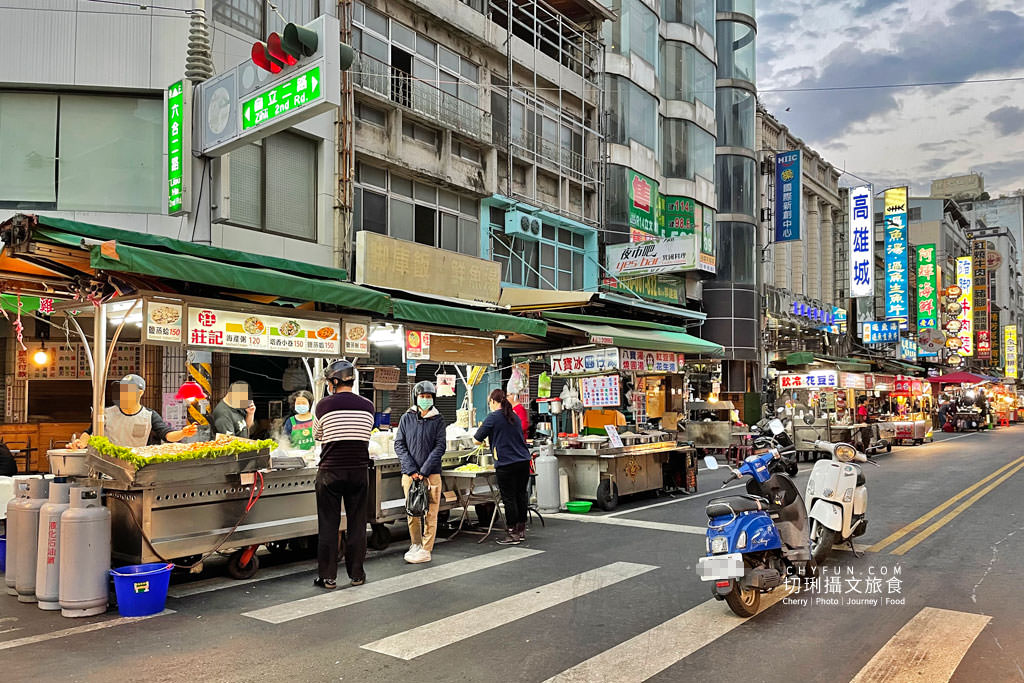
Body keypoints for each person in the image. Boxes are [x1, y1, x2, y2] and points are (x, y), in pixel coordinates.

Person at [312, 360, 374, 589]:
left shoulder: (323, 406)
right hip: (359, 471)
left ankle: (328, 577)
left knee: (329, 524)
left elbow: (318, 435)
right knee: (357, 524)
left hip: (330, 472)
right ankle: (357, 574)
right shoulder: (368, 406)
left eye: (329, 381)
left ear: (334, 381)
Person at [394, 380, 446, 564]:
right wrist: (411, 469)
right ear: (416, 397)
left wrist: (423, 471)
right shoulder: (406, 417)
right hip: (410, 474)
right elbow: (399, 444)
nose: (425, 399)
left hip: (431, 474)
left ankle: (426, 548)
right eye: (422, 396)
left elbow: (440, 447)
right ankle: (415, 544)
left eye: (428, 397)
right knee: (412, 511)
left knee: (431, 512)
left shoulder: (438, 419)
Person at [71, 374, 197, 448]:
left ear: (140, 393)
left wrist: (182, 433)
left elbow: (167, 435)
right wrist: (81, 443)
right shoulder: (106, 414)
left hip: (136, 471)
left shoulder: (149, 415)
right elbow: (89, 432)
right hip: (108, 469)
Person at [474, 389, 533, 545]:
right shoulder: (514, 416)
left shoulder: (493, 417)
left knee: (509, 498)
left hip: (506, 463)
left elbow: (476, 440)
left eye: (489, 403)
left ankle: (512, 533)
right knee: (521, 495)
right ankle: (520, 530)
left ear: (493, 401)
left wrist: (488, 441)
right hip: (523, 461)